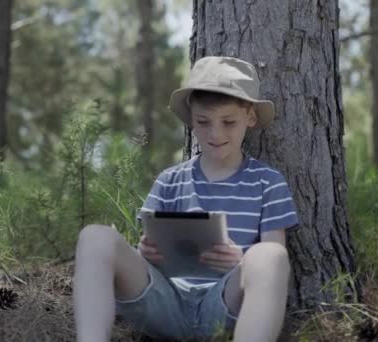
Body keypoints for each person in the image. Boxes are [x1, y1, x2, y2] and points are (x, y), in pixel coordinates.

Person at [73, 56, 299, 341]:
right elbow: (148, 252)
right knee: (95, 236)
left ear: (250, 117)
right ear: (191, 120)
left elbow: (277, 264)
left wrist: (239, 262)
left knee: (270, 255)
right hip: (164, 303)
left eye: (228, 122)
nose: (215, 133)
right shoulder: (169, 180)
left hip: (226, 307)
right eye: (203, 122)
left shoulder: (268, 182)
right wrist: (147, 252)